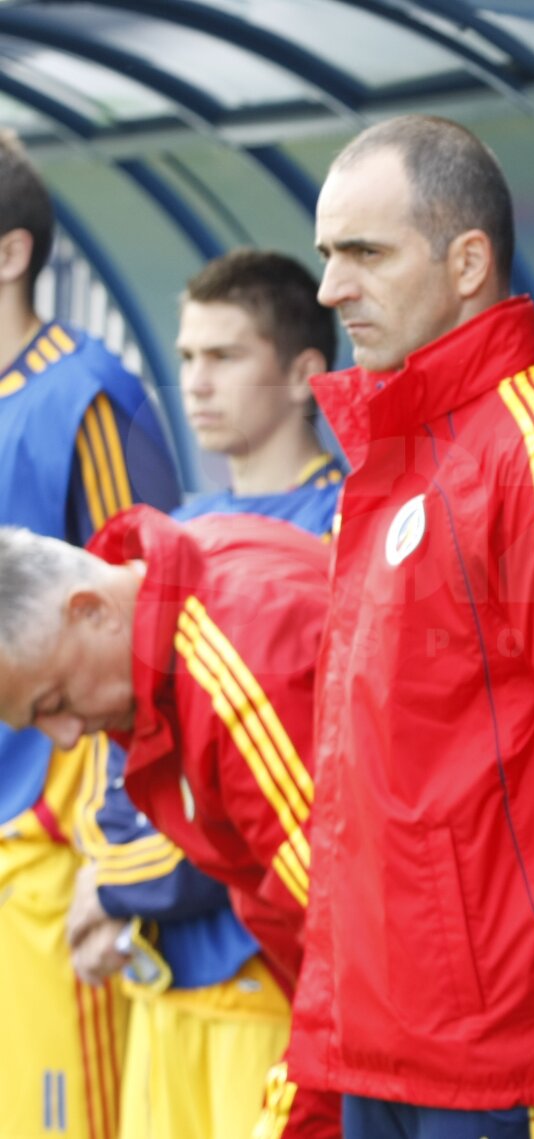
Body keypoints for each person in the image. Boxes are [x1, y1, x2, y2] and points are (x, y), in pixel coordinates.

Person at [284, 114, 534, 1139]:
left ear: (468, 262)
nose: (331, 288)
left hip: (503, 1047)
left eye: (363, 253)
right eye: (328, 253)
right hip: (377, 1031)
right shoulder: (383, 452)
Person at [66, 248, 344, 1139]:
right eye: (186, 358)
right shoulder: (177, 528)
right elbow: (121, 756)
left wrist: (120, 886)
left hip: (262, 971)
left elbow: (298, 780)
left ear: (306, 376)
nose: (196, 382)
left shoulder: (345, 521)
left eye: (224, 357)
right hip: (163, 972)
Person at [0, 505, 342, 1138]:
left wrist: (295, 1116)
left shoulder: (226, 667)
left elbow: (349, 936)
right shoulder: (180, 609)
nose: (68, 736)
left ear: (90, 610)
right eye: (39, 723)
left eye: (56, 703)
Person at [0, 131, 180, 1138]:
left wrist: (114, 857)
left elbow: (146, 627)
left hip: (46, 847)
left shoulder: (87, 393)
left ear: (11, 252)